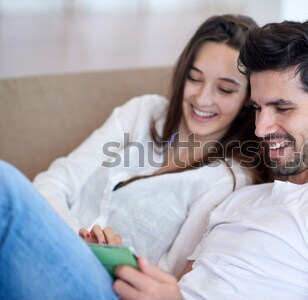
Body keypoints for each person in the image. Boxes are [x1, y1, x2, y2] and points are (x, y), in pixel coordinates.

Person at [0, 15, 308, 300]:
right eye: (258, 109)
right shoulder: (247, 199)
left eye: (283, 108)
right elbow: (176, 284)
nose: (260, 128)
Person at [31, 14, 271, 276]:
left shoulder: (227, 181)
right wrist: (76, 241)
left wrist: (114, 258)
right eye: (194, 78)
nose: (202, 98)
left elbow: (171, 275)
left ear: (248, 98)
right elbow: (53, 182)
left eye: (224, 89)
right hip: (48, 245)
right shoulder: (143, 112)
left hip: (104, 285)